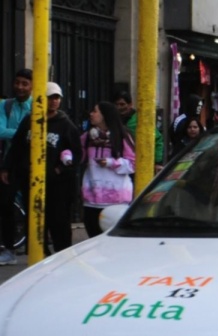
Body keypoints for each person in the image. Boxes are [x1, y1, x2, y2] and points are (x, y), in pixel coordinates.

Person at [0, 82, 82, 255]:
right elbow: (17, 146)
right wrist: (7, 168)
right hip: (30, 180)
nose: (54, 102)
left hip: (57, 185)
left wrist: (60, 170)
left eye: (56, 98)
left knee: (58, 221)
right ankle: (40, 254)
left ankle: (62, 255)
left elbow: (76, 154)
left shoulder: (66, 125)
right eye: (50, 97)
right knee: (35, 221)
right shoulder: (30, 120)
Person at [80, 101, 135, 237]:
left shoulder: (122, 136)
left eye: (95, 111)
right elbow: (79, 156)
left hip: (116, 200)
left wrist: (111, 163)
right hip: (92, 198)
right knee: (93, 238)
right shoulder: (87, 137)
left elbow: (133, 164)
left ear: (104, 115)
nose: (91, 114)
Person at [0, 68, 33, 264]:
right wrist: (23, 134)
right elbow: (0, 131)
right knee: (5, 206)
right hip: (11, 162)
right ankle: (9, 249)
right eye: (17, 82)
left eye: (24, 84)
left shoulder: (37, 106)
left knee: (34, 206)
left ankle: (37, 247)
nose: (20, 87)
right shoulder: (6, 105)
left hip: (33, 164)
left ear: (32, 86)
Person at [112, 90, 164, 174]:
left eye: (122, 104)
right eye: (116, 104)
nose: (119, 107)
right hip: (118, 165)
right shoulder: (112, 120)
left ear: (130, 104)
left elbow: (157, 139)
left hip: (138, 165)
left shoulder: (140, 120)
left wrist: (158, 162)